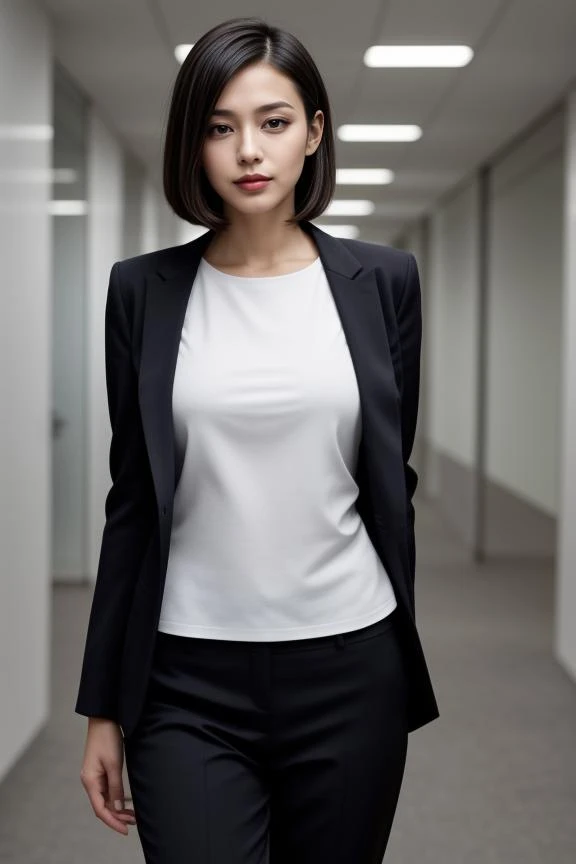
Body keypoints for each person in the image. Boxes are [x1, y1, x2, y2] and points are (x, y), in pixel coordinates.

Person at [76, 16, 439, 864]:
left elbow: (391, 473)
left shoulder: (383, 282)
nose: (249, 150)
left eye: (273, 123)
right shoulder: (144, 292)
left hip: (352, 669)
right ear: (193, 143)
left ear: (313, 133)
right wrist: (103, 705)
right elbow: (132, 502)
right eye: (219, 126)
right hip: (184, 678)